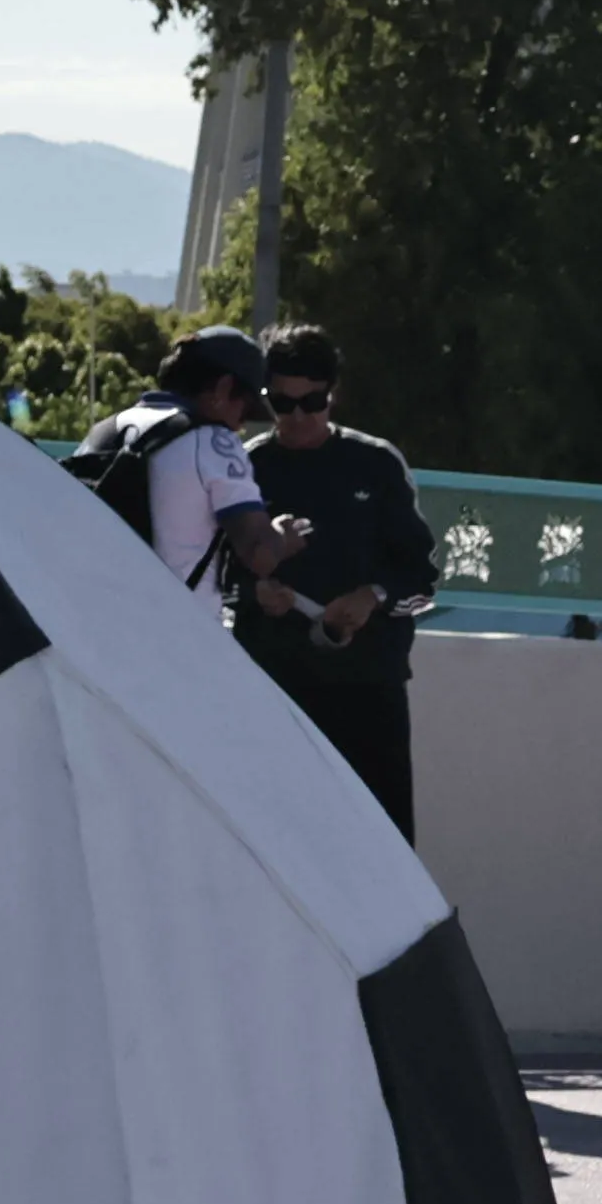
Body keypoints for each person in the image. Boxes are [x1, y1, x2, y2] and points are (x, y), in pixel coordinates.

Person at [238, 325, 436, 838]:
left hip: (367, 692)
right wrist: (254, 591)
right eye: (283, 403)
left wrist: (373, 597)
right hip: (275, 691)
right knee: (276, 843)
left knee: (381, 844)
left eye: (314, 401)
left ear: (334, 394)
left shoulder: (375, 464)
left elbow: (423, 576)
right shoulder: (246, 467)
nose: (299, 416)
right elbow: (210, 570)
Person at [78, 329, 305, 613]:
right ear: (223, 389)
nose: (241, 424)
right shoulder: (213, 441)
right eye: (245, 407)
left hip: (90, 626)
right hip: (171, 635)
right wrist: (282, 537)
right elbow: (259, 552)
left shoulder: (103, 430)